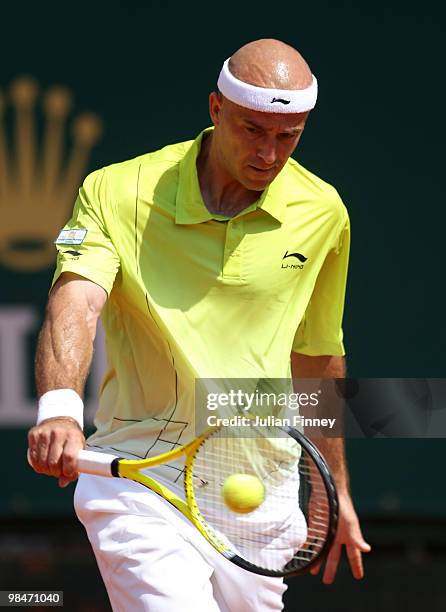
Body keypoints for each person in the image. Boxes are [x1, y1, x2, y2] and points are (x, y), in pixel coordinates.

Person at [28, 38, 371, 611]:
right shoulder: (118, 191)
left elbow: (317, 358)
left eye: (289, 135)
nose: (269, 153)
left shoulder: (324, 212)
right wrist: (59, 409)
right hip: (141, 475)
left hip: (261, 482)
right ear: (215, 110)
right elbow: (76, 303)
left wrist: (334, 491)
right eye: (252, 130)